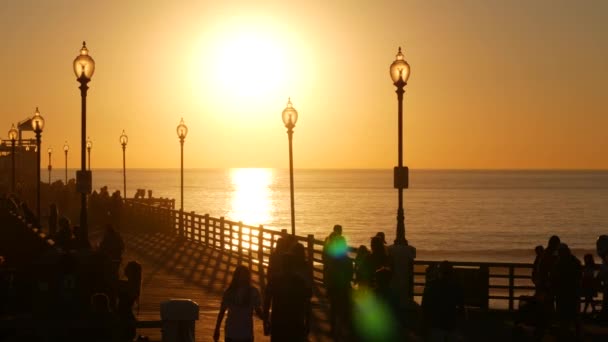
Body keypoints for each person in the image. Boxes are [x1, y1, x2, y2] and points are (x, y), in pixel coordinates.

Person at [263, 252, 312, 342]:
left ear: (281, 265)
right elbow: (307, 303)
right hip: (296, 322)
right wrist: (307, 323)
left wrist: (265, 322)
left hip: (278, 323)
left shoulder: (274, 280)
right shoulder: (300, 282)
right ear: (293, 266)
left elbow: (267, 303)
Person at [214, 265, 263, 342]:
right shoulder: (229, 292)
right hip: (233, 333)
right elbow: (222, 312)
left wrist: (266, 320)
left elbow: (258, 310)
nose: (243, 278)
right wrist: (217, 329)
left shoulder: (253, 292)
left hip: (245, 333)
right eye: (241, 275)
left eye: (244, 275)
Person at [421, 261, 464, 341]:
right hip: (451, 323)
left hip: (435, 324)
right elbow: (461, 307)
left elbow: (424, 307)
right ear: (451, 273)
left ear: (439, 272)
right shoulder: (456, 286)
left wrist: (424, 325)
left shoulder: (431, 285)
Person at [550, 244, 582, 339]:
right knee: (574, 314)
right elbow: (579, 276)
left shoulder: (559, 263)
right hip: (574, 292)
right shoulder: (576, 262)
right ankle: (577, 335)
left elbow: (554, 278)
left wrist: (553, 289)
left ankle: (564, 334)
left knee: (563, 314)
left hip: (562, 293)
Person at [388, 236, 416, 306]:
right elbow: (413, 255)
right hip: (404, 273)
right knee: (404, 291)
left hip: (394, 274)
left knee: (395, 291)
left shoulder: (391, 249)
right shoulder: (407, 249)